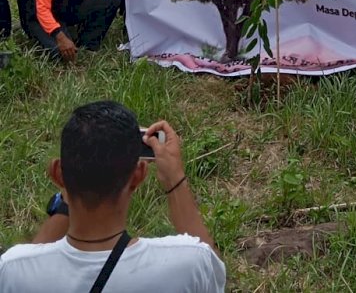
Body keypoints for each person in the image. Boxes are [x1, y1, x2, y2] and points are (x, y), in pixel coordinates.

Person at [0, 100, 225, 291]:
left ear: (58, 174)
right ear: (138, 176)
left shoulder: (13, 271)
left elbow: (30, 261)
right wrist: (175, 179)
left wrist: (71, 186)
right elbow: (214, 275)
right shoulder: (187, 264)